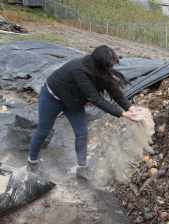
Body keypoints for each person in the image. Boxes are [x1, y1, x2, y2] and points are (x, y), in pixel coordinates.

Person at [27, 45, 141, 181]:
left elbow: (114, 90)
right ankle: (32, 163)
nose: (111, 68)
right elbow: (95, 99)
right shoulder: (80, 70)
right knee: (43, 130)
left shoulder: (100, 71)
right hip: (53, 97)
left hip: (73, 102)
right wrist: (122, 114)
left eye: (113, 64)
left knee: (82, 133)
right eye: (109, 65)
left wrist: (130, 108)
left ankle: (82, 169)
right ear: (100, 64)